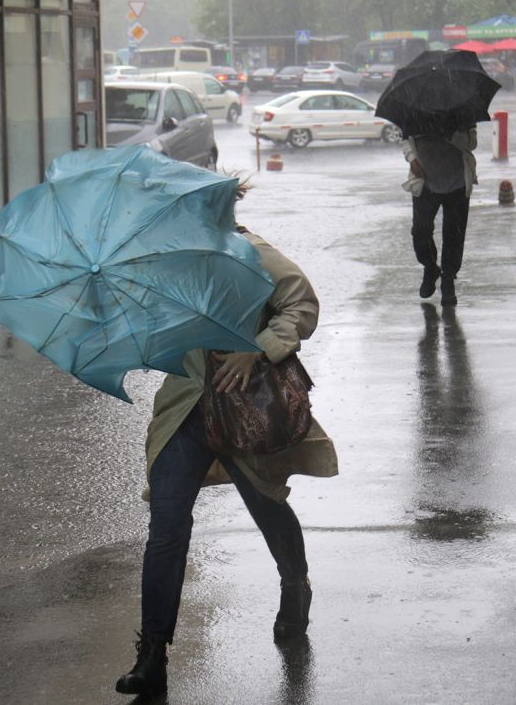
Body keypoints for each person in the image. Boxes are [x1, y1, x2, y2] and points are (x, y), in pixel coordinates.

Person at [115, 201, 339, 700]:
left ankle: (295, 584)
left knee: (268, 507)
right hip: (184, 409)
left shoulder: (250, 251)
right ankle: (152, 653)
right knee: (167, 529)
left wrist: (256, 348)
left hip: (244, 408)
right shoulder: (168, 263)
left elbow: (301, 305)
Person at [403, 126, 479, 306]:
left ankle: (448, 280)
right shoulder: (416, 109)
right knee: (421, 231)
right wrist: (412, 159)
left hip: (457, 181)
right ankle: (430, 267)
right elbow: (405, 137)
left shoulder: (461, 112)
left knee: (454, 234)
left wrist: (452, 135)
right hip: (425, 181)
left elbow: (472, 143)